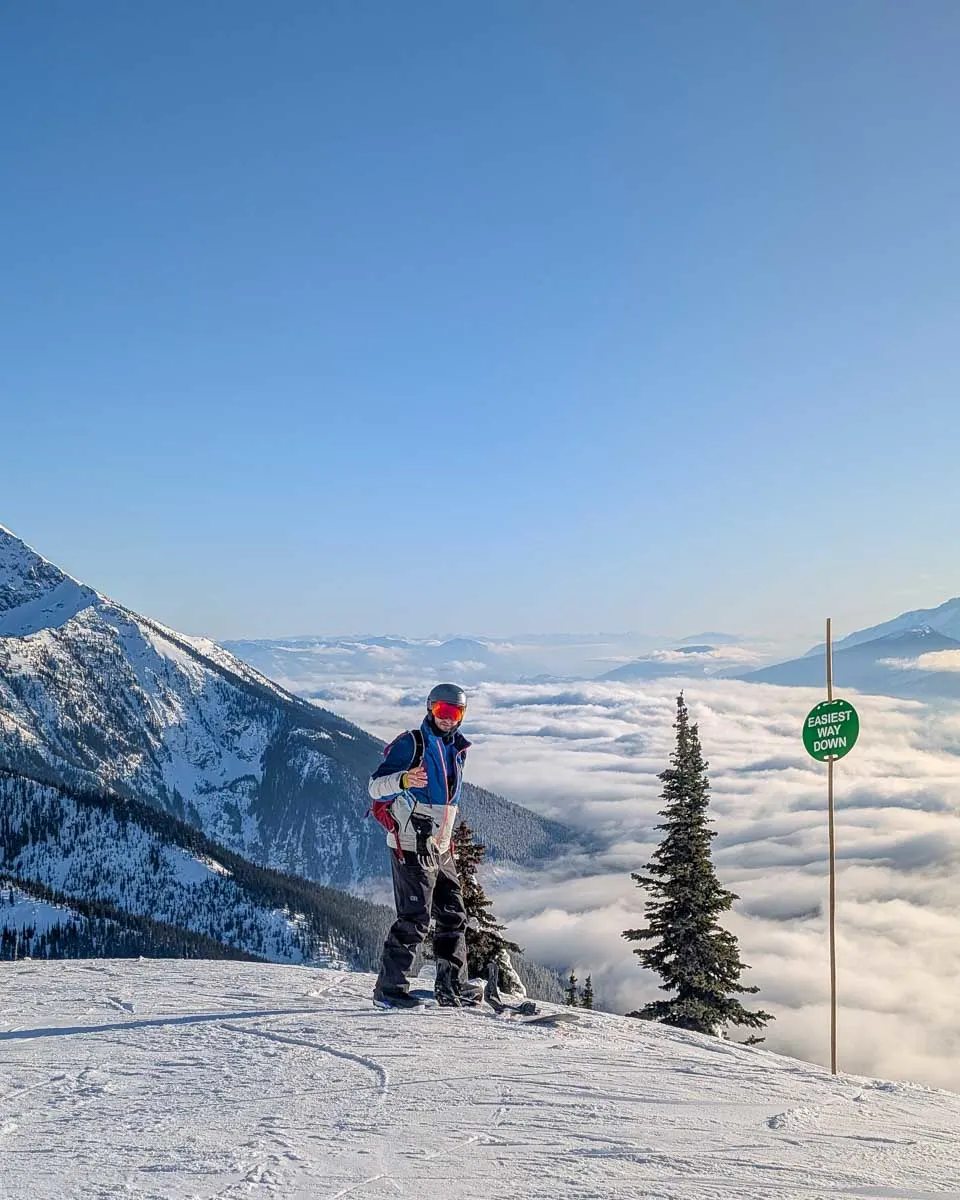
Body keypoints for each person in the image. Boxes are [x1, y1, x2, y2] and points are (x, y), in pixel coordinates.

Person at [368, 683, 482, 1009]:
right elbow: (375, 788)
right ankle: (389, 991)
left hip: (440, 846)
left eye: (454, 713)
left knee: (453, 915)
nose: (447, 719)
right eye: (441, 712)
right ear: (430, 709)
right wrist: (403, 781)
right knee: (415, 917)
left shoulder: (457, 749)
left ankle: (452, 986)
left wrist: (446, 842)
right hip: (410, 843)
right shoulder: (411, 744)